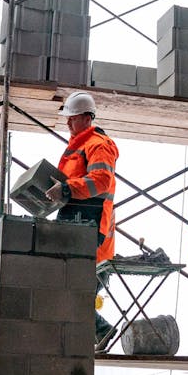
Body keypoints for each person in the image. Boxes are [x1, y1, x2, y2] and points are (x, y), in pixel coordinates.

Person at [46, 90, 119, 342]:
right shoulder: (76, 147)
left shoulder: (98, 145)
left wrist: (65, 189)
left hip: (90, 230)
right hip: (74, 227)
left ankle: (101, 332)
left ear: (87, 118)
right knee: (66, 290)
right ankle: (95, 335)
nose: (67, 122)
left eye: (72, 117)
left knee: (75, 292)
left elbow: (100, 181)